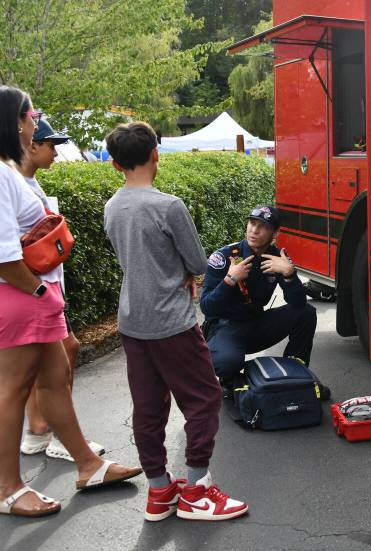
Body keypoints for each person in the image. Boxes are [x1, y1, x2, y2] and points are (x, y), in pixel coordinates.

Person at [0, 86, 141, 518]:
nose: (34, 122)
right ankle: (8, 487)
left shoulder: (7, 170)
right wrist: (41, 293)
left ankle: (88, 465)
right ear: (16, 120)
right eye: (32, 115)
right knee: (13, 390)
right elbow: (4, 255)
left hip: (32, 296)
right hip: (23, 295)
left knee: (56, 377)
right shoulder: (2, 175)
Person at [103, 121, 247, 522]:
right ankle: (197, 488)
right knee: (203, 398)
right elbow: (198, 262)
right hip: (172, 322)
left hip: (133, 320)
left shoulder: (112, 206)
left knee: (148, 407)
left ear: (115, 165)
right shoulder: (168, 206)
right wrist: (185, 273)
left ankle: (159, 489)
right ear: (155, 154)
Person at [18, 119, 105, 461]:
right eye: (49, 144)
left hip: (40, 287)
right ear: (30, 145)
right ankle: (58, 438)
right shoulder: (16, 186)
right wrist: (40, 290)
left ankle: (39, 430)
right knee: (61, 356)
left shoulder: (26, 182)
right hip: (34, 291)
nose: (56, 151)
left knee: (38, 362)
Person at [200, 205, 318, 388]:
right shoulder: (224, 257)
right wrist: (230, 280)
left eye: (262, 226)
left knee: (306, 313)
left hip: (256, 324)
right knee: (226, 362)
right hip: (226, 328)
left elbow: (298, 304)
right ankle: (233, 381)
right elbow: (206, 308)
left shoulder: (277, 257)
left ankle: (298, 374)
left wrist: (290, 275)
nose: (254, 230)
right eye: (252, 223)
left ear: (275, 233)